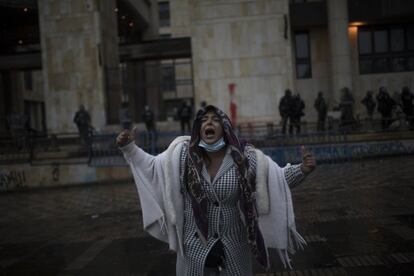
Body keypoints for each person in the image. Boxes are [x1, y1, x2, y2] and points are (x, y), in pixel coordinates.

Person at [116, 105, 316, 275]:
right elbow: (152, 167)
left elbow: (275, 178)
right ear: (198, 128)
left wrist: (302, 170)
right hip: (193, 248)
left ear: (225, 127)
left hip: (235, 246)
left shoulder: (245, 157)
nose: (208, 123)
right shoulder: (181, 154)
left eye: (215, 120)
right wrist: (130, 148)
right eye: (204, 120)